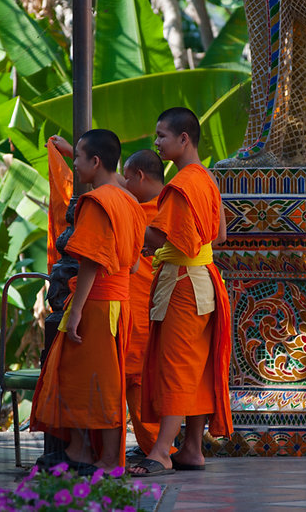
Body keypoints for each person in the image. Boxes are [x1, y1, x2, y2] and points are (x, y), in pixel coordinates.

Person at [30, 129, 146, 471]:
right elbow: (135, 262)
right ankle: (87, 450)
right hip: (119, 302)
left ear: (95, 162)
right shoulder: (130, 201)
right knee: (100, 378)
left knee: (94, 381)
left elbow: (92, 262)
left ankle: (104, 457)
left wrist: (76, 309)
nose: (75, 164)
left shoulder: (97, 203)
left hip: (96, 303)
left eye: (79, 158)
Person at [130, 107, 233, 477]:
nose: (156, 143)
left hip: (184, 285)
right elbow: (219, 236)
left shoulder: (182, 184)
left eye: (161, 136)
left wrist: (129, 220)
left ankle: (160, 452)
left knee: (175, 367)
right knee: (197, 368)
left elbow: (162, 237)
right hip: (204, 280)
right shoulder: (206, 177)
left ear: (183, 139)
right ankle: (191, 449)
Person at [120, 149, 168, 458]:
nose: (123, 184)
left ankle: (159, 446)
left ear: (139, 176)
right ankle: (156, 443)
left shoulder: (157, 210)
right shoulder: (153, 206)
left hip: (149, 301)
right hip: (154, 300)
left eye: (127, 178)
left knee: (137, 374)